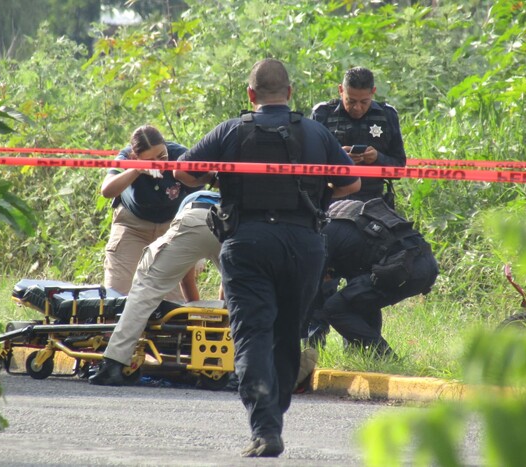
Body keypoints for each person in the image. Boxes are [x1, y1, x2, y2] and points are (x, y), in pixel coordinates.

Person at [174, 59, 360, 458]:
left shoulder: (230, 130)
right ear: (290, 93)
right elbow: (352, 182)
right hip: (304, 243)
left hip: (248, 242)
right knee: (287, 333)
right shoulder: (316, 131)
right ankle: (274, 416)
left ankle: (265, 428)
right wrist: (316, 198)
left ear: (251, 95)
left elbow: (183, 173)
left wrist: (216, 176)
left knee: (252, 333)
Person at [89, 190, 222, 386]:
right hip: (238, 222)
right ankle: (238, 366)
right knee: (243, 295)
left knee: (146, 287)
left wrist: (191, 308)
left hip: (197, 217)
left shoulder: (189, 203)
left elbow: (185, 276)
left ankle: (114, 363)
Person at [306, 198, 439, 358]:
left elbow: (310, 285)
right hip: (425, 263)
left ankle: (385, 357)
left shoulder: (324, 233)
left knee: (334, 308)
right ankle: (370, 358)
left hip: (403, 268)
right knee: (361, 298)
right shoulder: (347, 219)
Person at [100, 125, 199, 301]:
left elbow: (198, 199)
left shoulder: (180, 155)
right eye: (151, 160)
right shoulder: (126, 157)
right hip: (132, 226)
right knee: (116, 295)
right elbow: (107, 190)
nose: (159, 163)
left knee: (173, 303)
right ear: (134, 156)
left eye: (162, 156)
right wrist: (136, 169)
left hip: (171, 228)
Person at [311, 66, 406, 207]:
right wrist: (338, 158)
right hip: (332, 199)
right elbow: (309, 166)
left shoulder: (387, 115)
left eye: (364, 102)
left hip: (373, 201)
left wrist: (377, 158)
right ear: (340, 90)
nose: (357, 108)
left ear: (373, 92)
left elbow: (399, 168)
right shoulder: (323, 113)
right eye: (351, 101)